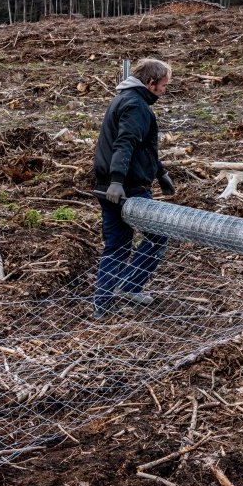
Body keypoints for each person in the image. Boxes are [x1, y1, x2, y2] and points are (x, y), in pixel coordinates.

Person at [92, 58, 176, 318]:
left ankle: (103, 304)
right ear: (151, 84)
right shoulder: (137, 106)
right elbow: (125, 143)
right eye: (163, 85)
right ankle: (128, 287)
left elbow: (141, 147)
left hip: (110, 186)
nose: (164, 90)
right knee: (157, 235)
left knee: (117, 243)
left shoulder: (125, 98)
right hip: (127, 188)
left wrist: (160, 173)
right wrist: (118, 181)